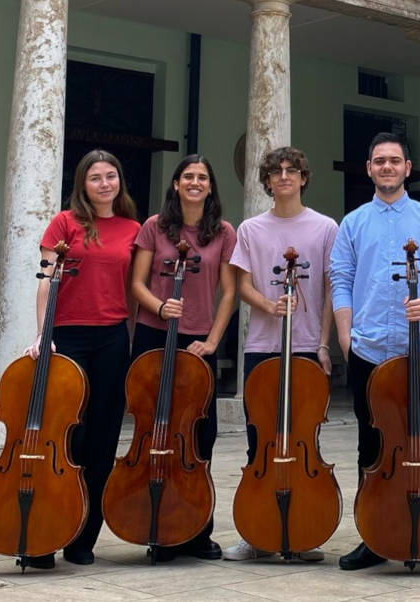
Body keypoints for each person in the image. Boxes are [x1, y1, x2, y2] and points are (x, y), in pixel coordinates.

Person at [330, 132, 420, 571]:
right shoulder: (353, 222)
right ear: (369, 168)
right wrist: (346, 338)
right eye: (379, 160)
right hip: (367, 347)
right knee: (371, 444)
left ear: (408, 168)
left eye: (395, 160)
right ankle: (373, 535)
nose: (387, 167)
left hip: (419, 348)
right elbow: (341, 280)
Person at [25, 149, 141, 568]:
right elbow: (45, 280)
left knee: (102, 437)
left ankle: (82, 538)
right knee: (64, 435)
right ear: (83, 184)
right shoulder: (64, 222)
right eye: (95, 177)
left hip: (112, 338)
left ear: (119, 181)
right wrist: (43, 333)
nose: (105, 183)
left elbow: (134, 288)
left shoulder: (133, 227)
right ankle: (45, 532)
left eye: (111, 176)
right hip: (68, 336)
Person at [222, 146, 337, 562]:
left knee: (305, 437)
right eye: (276, 172)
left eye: (292, 171)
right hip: (263, 346)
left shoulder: (325, 227)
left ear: (304, 178)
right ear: (267, 181)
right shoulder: (251, 228)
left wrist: (324, 344)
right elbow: (244, 284)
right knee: (261, 442)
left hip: (306, 344)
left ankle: (304, 532)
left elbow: (328, 290)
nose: (284, 177)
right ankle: (257, 533)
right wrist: (268, 305)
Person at [130, 154, 237, 561]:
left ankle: (195, 530)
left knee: (198, 436)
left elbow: (228, 291)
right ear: (175, 183)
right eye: (188, 176)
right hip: (154, 335)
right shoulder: (154, 227)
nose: (195, 182)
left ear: (210, 186)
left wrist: (212, 340)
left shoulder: (223, 232)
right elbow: (137, 283)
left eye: (203, 178)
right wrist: (159, 307)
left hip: (197, 340)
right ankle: (153, 524)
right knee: (154, 430)